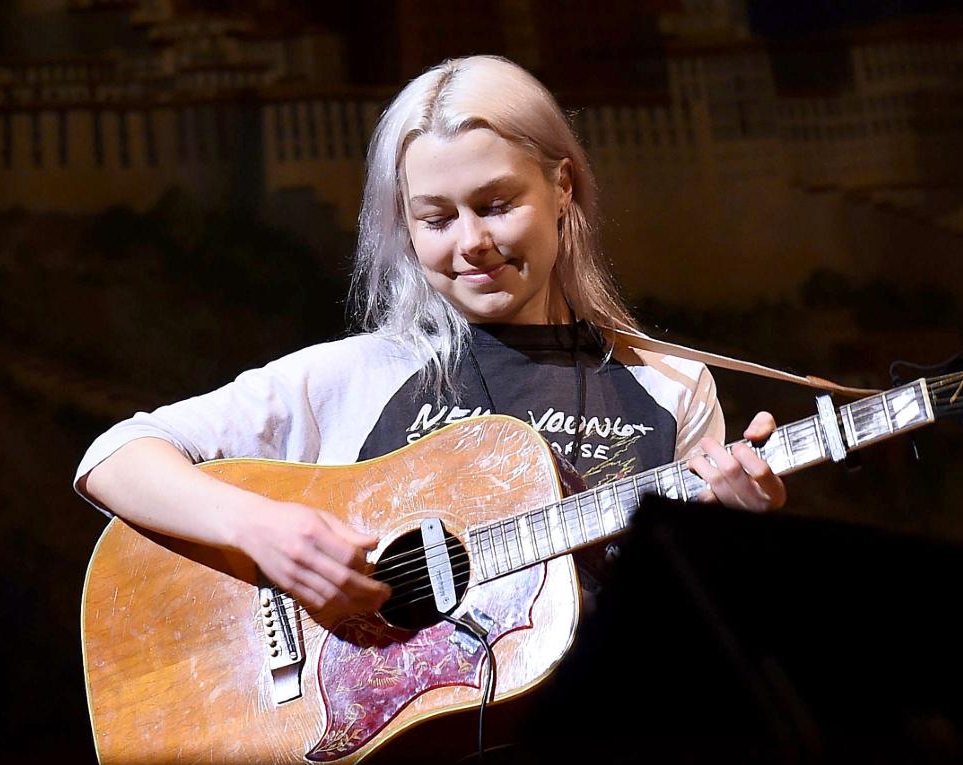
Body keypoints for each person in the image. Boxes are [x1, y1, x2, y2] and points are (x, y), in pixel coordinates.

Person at [74, 55, 786, 625]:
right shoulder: (360, 374)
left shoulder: (670, 387)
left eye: (497, 205)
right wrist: (262, 531)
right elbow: (113, 458)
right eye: (437, 218)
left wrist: (736, 542)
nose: (472, 242)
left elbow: (695, 628)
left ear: (563, 188)